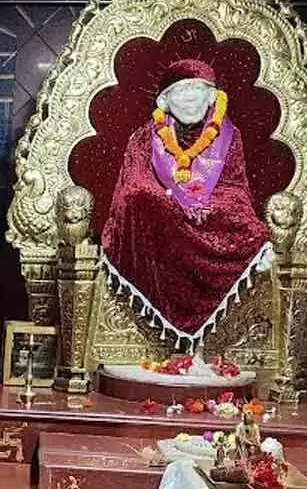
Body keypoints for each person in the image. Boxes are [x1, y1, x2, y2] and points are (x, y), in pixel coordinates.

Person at [101, 58, 272, 345]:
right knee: (139, 202)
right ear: (165, 100)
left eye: (197, 89)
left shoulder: (230, 136)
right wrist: (173, 199)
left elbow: (235, 187)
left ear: (211, 97)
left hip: (211, 211)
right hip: (162, 216)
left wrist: (203, 204)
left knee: (245, 224)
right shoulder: (146, 137)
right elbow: (134, 184)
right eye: (182, 90)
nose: (190, 97)